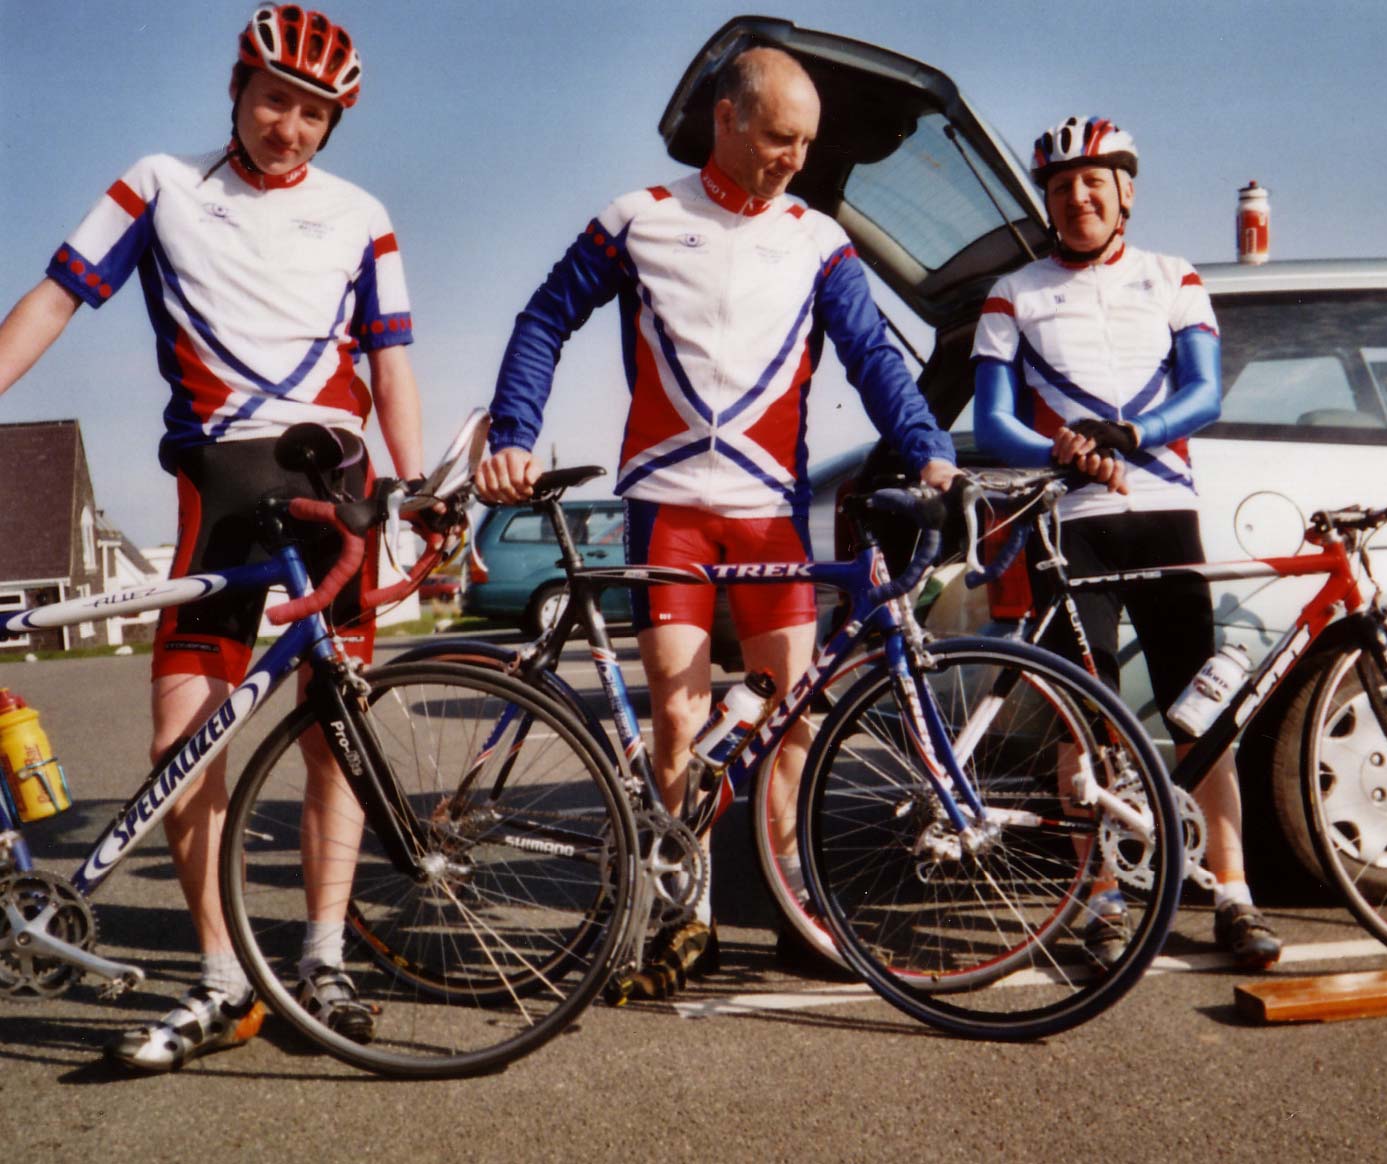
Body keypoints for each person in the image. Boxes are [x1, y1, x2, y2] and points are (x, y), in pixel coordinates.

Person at [0, 5, 427, 1067]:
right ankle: (223, 980)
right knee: (180, 744)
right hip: (222, 488)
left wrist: (412, 486)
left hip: (336, 487)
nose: (291, 127)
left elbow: (391, 362)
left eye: (315, 114)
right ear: (236, 90)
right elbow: (54, 299)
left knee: (335, 737)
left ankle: (323, 959)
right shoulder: (159, 184)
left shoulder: (361, 214)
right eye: (276, 100)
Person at [477, 45, 957, 985]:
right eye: (780, 138)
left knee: (792, 719)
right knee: (679, 717)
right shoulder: (641, 217)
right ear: (727, 118)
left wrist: (928, 446)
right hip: (668, 510)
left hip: (770, 511)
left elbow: (872, 355)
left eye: (806, 143)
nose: (794, 160)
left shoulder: (817, 238)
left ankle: (795, 907)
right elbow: (543, 319)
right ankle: (678, 915)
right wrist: (514, 433)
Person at [971, 115, 1283, 969]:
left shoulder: (1173, 276)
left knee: (1200, 714)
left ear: (1126, 192)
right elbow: (993, 422)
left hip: (1163, 512)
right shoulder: (1013, 292)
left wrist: (1131, 435)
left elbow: (1205, 394)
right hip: (1072, 525)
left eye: (1093, 182)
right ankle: (1098, 896)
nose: (1078, 197)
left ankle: (1233, 894)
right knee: (1084, 721)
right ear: (1046, 200)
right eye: (1061, 186)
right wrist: (1060, 453)